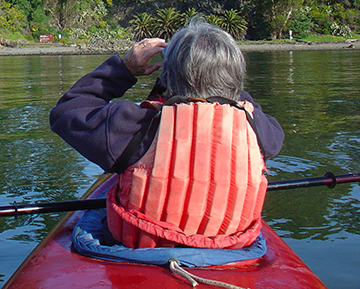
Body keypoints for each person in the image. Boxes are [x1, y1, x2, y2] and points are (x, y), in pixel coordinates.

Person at [50, 21, 284, 249]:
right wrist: (223, 81)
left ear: (167, 77)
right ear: (235, 75)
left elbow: (67, 111)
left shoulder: (134, 125)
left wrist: (124, 69)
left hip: (140, 250)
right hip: (228, 250)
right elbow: (252, 111)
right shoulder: (260, 130)